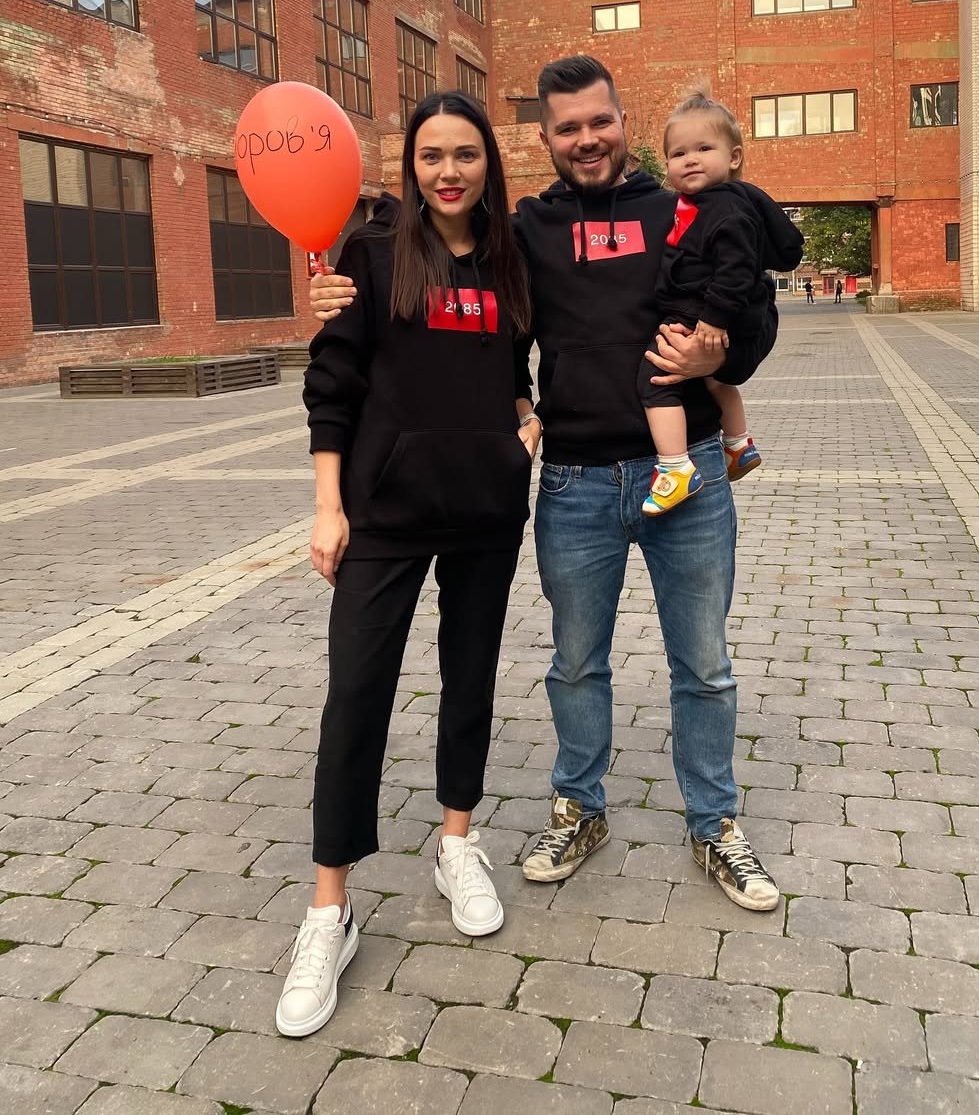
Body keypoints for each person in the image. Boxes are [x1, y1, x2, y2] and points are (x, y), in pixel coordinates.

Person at [310, 56, 780, 914]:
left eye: (599, 122)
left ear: (623, 121)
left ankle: (715, 823)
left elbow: (753, 302)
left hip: (687, 472)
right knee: (575, 664)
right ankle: (579, 808)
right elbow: (453, 270)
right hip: (575, 480)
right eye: (568, 128)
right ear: (545, 139)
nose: (586, 139)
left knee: (705, 665)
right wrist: (342, 283)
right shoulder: (526, 230)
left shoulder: (684, 207)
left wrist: (724, 351)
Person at [277, 90, 538, 1040]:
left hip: (484, 511)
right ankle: (329, 909)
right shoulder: (373, 253)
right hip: (383, 513)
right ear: (411, 166)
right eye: (432, 156)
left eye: (465, 154)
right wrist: (328, 505)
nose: (449, 171)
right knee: (357, 695)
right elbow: (331, 383)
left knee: (470, 680)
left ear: (488, 162)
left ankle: (456, 843)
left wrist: (525, 421)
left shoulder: (511, 259)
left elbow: (513, 370)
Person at [637, 88, 803, 515]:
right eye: (678, 153)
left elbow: (737, 268)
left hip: (702, 314)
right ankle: (739, 444)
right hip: (708, 314)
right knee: (713, 380)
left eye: (703, 149)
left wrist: (714, 319)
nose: (690, 159)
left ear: (734, 157)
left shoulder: (725, 209)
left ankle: (675, 468)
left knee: (654, 378)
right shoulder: (702, 204)